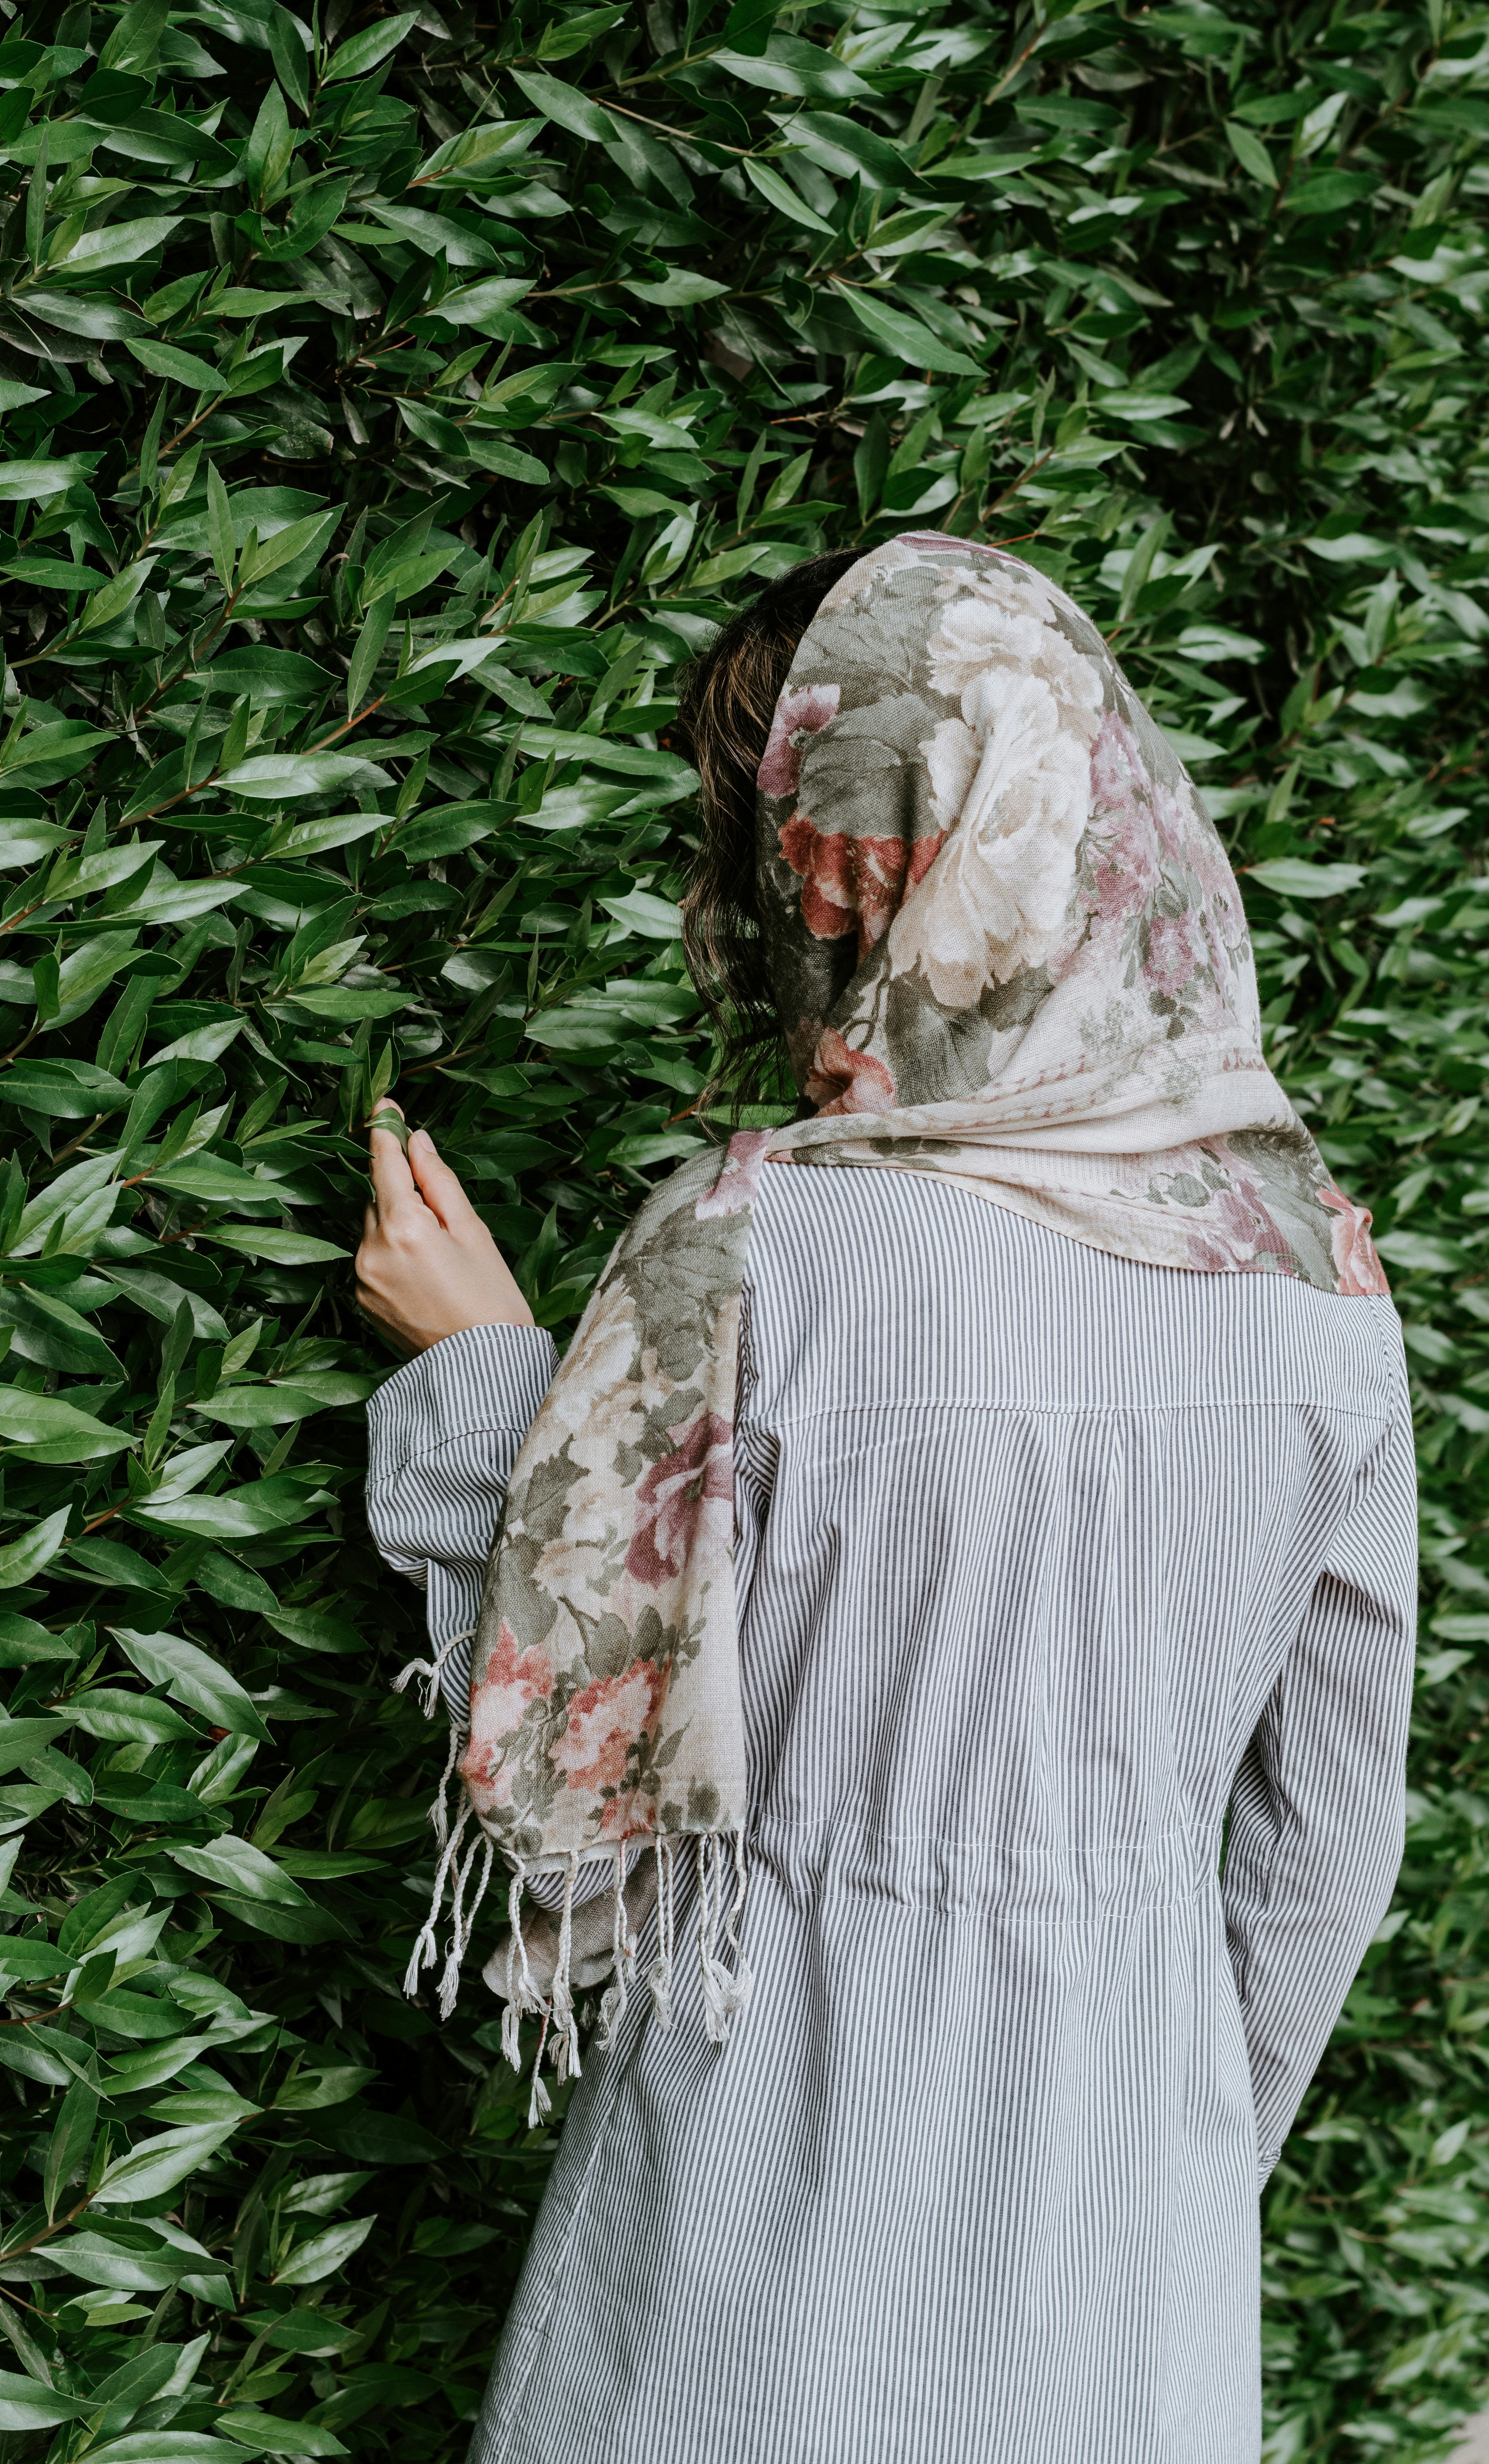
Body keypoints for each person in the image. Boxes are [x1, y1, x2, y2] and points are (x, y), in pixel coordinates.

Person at [357, 535, 1417, 2464]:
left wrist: (479, 1383)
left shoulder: (758, 1248)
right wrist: (1165, 2171)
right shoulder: (1316, 1280)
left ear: (857, 855)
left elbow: (580, 1811)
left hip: (747, 2243)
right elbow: (1333, 1849)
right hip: (1125, 2300)